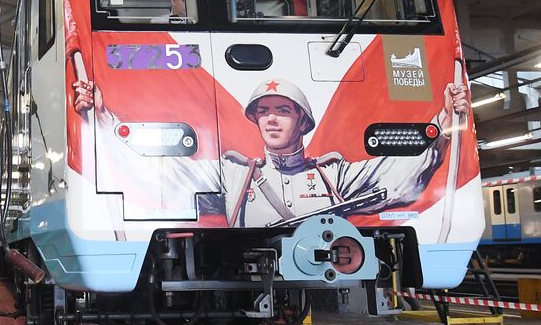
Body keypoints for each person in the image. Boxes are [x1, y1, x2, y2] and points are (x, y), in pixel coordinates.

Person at [76, 75, 469, 227]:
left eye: (283, 111)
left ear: (302, 121)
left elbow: (398, 179)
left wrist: (445, 122)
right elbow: (167, 176)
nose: (271, 119)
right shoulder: (234, 174)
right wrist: (103, 117)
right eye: (263, 112)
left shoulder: (334, 174)